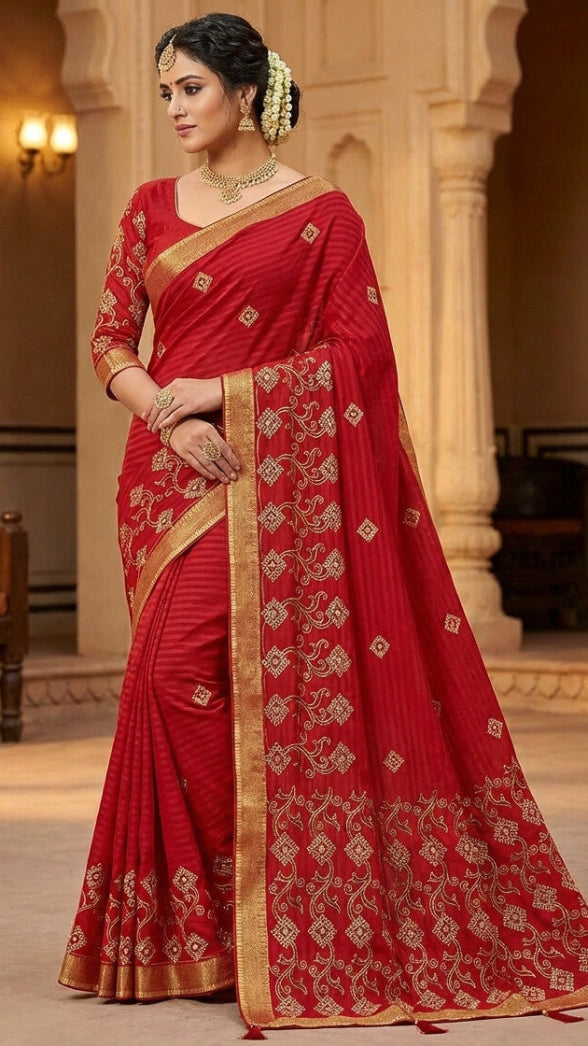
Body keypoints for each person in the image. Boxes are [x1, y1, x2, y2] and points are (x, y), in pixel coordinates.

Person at [59, 12, 588, 1035]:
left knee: (210, 680)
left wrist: (221, 391)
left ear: (248, 92)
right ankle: (212, 927)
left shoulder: (324, 214)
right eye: (164, 90)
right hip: (166, 473)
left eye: (191, 89)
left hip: (265, 466)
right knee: (172, 677)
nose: (173, 110)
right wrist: (168, 415)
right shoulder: (147, 208)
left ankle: (254, 919)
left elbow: (361, 357)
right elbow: (110, 340)